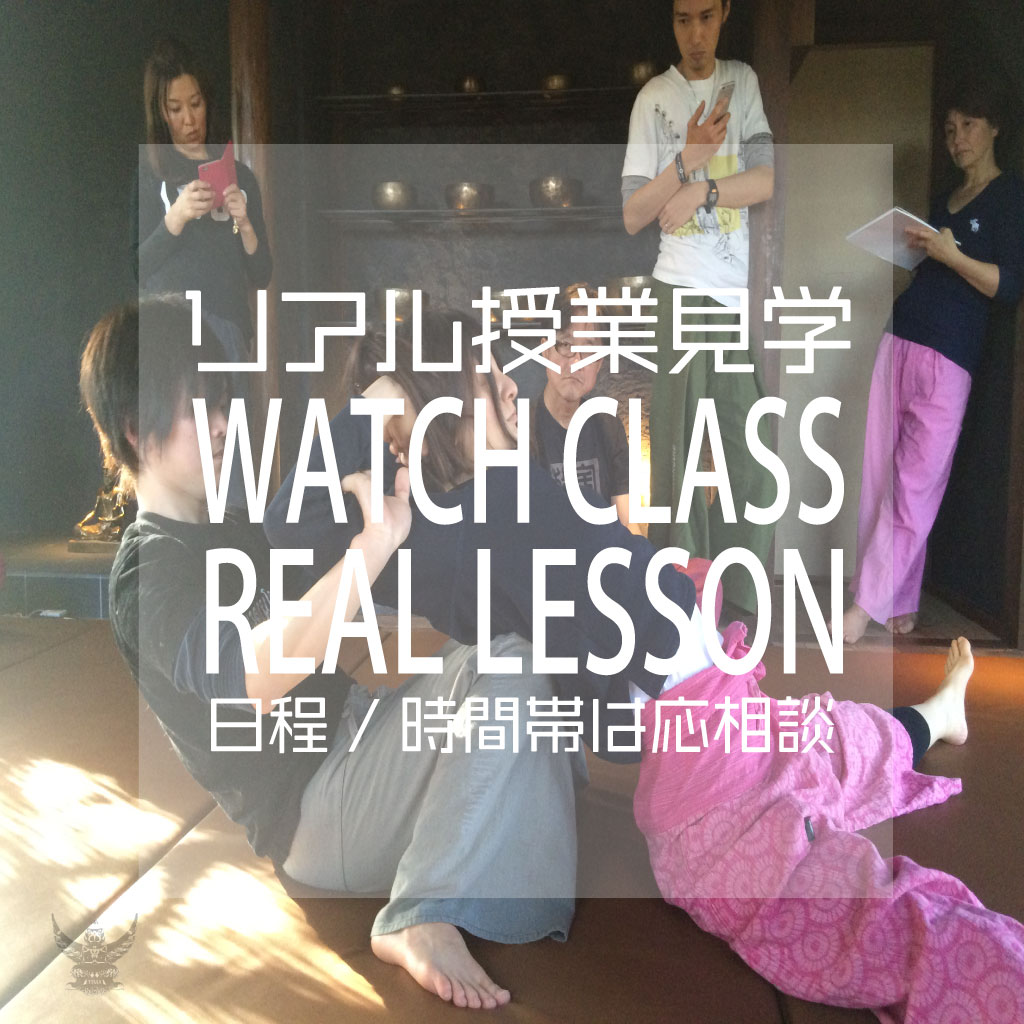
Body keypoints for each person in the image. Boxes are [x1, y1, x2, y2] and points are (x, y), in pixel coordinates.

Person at [268, 308, 1024, 1022]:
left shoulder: (522, 476)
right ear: (430, 414)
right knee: (866, 913)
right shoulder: (438, 535)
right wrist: (379, 399)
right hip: (707, 778)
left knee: (834, 738)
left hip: (723, 689)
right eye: (484, 376)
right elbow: (289, 526)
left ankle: (936, 715)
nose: (509, 383)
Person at [82, 298, 583, 1011]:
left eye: (222, 402)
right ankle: (419, 913)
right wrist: (372, 542)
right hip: (312, 814)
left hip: (355, 737)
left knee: (512, 653)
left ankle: (505, 812)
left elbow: (338, 608)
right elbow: (253, 675)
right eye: (198, 409)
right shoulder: (147, 572)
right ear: (136, 429)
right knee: (507, 672)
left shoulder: (234, 525)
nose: (223, 425)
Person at [842, 81, 1024, 643]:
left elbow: (1008, 284)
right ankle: (895, 599)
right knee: (879, 477)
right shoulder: (944, 200)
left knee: (915, 484)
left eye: (968, 125)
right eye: (949, 129)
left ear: (994, 127)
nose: (957, 138)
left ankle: (862, 607)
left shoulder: (1009, 196)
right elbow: (934, 272)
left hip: (951, 358)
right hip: (899, 337)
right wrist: (917, 250)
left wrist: (951, 253)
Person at [621, 0, 776, 612]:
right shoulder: (654, 99)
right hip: (678, 289)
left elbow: (764, 181)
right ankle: (682, 604)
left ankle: (738, 606)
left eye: (706, 17)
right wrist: (686, 158)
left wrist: (702, 191)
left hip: (730, 297)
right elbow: (634, 213)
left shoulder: (743, 83)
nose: (695, 33)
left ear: (725, 13)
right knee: (678, 459)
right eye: (683, 19)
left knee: (752, 457)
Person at [134, 37, 271, 363]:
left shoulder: (241, 177)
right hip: (171, 330)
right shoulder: (151, 175)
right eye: (175, 109)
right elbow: (139, 267)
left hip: (227, 328)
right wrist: (176, 217)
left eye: (196, 104)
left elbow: (262, 274)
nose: (189, 119)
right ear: (161, 113)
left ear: (207, 101)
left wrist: (244, 223)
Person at [531, 283, 640, 534]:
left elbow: (626, 521)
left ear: (599, 362)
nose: (576, 362)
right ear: (545, 351)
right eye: (566, 344)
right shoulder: (521, 432)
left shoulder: (608, 426)